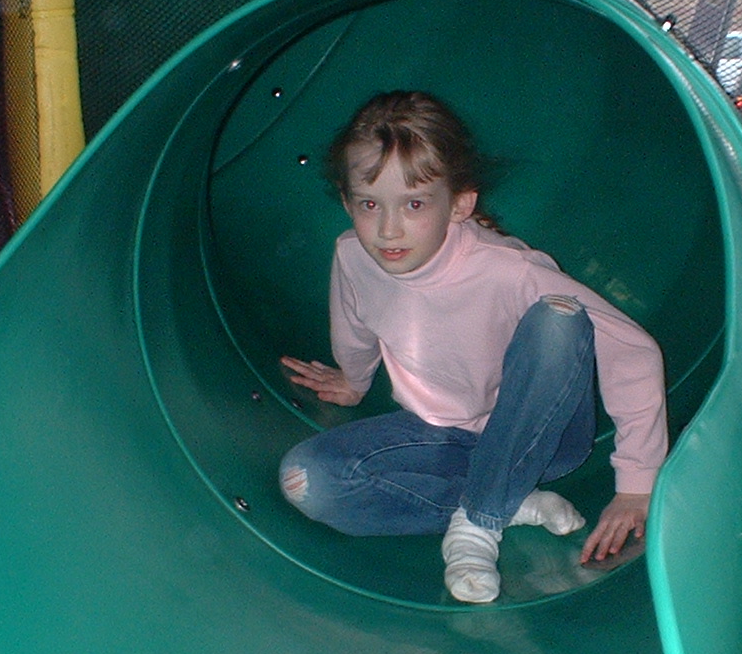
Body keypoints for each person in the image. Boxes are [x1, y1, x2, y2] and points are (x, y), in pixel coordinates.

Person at [277, 91, 667, 604]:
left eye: (414, 204)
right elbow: (355, 322)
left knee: (558, 321)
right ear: (348, 202)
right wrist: (353, 380)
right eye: (369, 204)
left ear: (459, 204)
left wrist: (637, 482)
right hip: (439, 436)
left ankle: (479, 522)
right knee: (307, 481)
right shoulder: (352, 255)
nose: (388, 229)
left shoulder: (508, 270)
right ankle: (508, 502)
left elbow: (632, 351)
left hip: (542, 440)